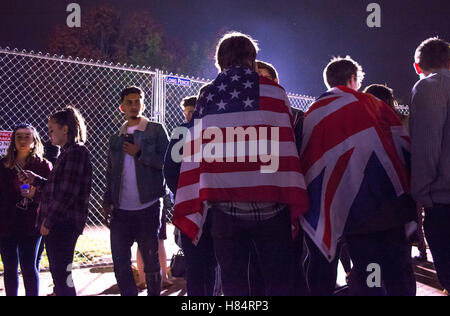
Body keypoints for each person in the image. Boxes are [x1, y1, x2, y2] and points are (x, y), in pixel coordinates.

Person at [171, 32, 309, 296]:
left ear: (220, 61)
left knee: (234, 284)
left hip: (225, 210)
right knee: (278, 281)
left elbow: (196, 154)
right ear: (252, 59)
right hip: (272, 207)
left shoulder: (208, 96)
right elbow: (284, 147)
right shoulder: (275, 93)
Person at [300, 56, 416, 296]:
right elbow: (403, 147)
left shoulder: (314, 113)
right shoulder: (373, 104)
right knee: (399, 270)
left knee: (368, 271)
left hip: (353, 212)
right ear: (354, 79)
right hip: (391, 206)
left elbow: (310, 164)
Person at [102, 86, 169, 296]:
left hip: (148, 206)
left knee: (150, 263)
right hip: (121, 210)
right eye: (129, 102)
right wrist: (107, 200)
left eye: (137, 101)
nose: (133, 105)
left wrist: (140, 152)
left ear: (143, 104)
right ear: (122, 106)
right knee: (120, 264)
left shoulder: (156, 130)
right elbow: (110, 171)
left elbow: (167, 163)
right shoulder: (116, 137)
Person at [20, 107, 93, 296]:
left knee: (61, 273)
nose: (49, 134)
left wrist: (49, 220)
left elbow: (68, 192)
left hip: (63, 223)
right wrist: (35, 179)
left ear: (65, 129)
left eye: (52, 129)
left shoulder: (76, 152)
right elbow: (57, 188)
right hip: (61, 221)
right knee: (60, 273)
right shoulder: (67, 153)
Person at [364, 83, 428, 262]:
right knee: (402, 247)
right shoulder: (401, 122)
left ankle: (376, 283)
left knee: (375, 260)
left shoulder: (361, 126)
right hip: (403, 191)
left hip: (373, 200)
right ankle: (415, 256)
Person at [164, 95, 219, 296]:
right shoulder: (221, 130)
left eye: (192, 112)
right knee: (210, 264)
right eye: (186, 113)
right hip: (213, 206)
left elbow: (169, 169)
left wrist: (184, 194)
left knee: (196, 264)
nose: (189, 116)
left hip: (191, 205)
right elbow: (170, 169)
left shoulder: (182, 132)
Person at [409, 37, 450, 293]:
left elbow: (427, 147)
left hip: (444, 201)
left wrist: (421, 193)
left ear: (417, 67)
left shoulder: (428, 87)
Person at [0, 124, 51, 296]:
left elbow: (51, 194)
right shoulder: (3, 165)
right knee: (9, 266)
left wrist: (35, 194)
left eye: (26, 136)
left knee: (29, 265)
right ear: (13, 140)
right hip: (6, 223)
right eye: (19, 137)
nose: (22, 140)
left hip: (31, 222)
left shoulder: (43, 165)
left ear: (34, 140)